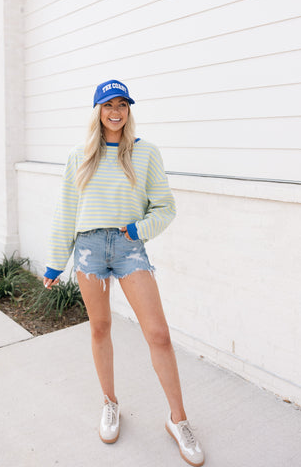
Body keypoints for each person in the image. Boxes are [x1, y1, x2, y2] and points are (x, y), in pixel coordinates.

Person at [43, 79, 205, 466]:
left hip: (129, 247)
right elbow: (66, 211)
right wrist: (55, 261)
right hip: (88, 250)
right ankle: (110, 403)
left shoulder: (145, 153)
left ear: (129, 110)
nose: (115, 111)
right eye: (107, 104)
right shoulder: (79, 155)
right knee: (100, 328)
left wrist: (138, 230)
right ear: (97, 110)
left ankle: (177, 419)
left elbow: (165, 207)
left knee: (158, 334)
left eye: (122, 104)